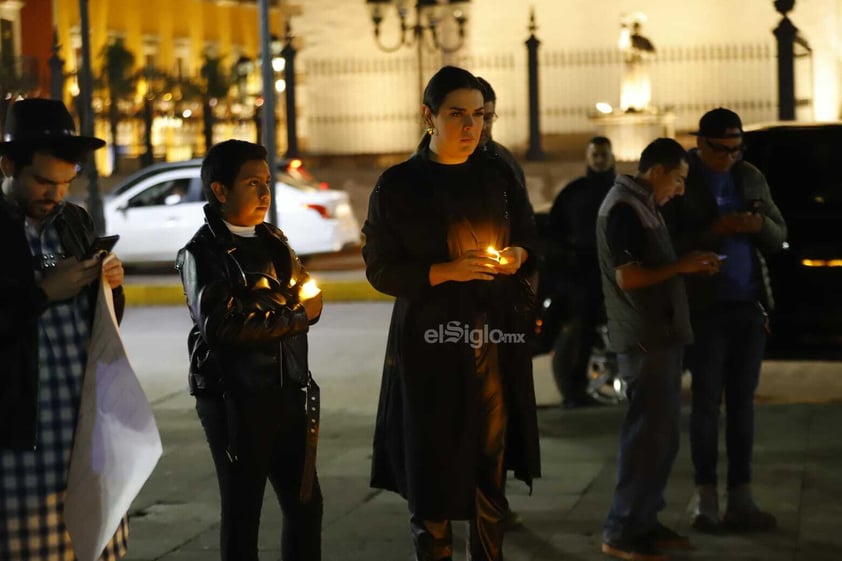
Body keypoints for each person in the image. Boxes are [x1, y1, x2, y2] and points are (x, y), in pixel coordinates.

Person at [363, 65, 541, 561]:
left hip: (494, 335)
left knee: (492, 458)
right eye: (457, 114)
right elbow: (380, 269)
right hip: (429, 344)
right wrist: (446, 271)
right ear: (429, 116)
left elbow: (529, 234)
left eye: (479, 115)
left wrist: (516, 257)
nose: (470, 127)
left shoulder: (497, 174)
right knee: (432, 462)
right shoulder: (399, 185)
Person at [176, 139, 324, 561]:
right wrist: (295, 316)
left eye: (266, 182)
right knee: (244, 512)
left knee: (306, 504)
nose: (264, 193)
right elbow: (221, 327)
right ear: (220, 191)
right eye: (252, 183)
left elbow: (307, 291)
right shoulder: (203, 252)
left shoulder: (273, 239)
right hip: (235, 398)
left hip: (289, 389)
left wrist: (298, 309)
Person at [0, 98, 128, 560]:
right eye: (41, 181)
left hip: (87, 432)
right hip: (20, 440)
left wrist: (111, 289)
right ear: (8, 165)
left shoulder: (74, 222)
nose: (55, 194)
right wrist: (41, 294)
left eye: (65, 183)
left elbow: (102, 324)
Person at [663, 108, 787, 533]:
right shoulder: (684, 178)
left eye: (736, 149)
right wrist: (717, 229)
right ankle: (706, 497)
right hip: (704, 307)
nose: (729, 157)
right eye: (721, 149)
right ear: (701, 144)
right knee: (705, 402)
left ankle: (741, 495)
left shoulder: (749, 175)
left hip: (747, 304)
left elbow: (779, 234)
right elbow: (666, 242)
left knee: (742, 405)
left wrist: (758, 225)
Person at [597, 138, 721, 561]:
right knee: (647, 437)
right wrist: (682, 267)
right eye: (680, 179)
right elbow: (628, 278)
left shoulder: (645, 206)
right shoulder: (624, 209)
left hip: (661, 337)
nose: (681, 190)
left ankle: (644, 521)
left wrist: (686, 262)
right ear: (658, 171)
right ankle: (622, 529)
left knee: (662, 437)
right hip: (645, 339)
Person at [546, 136, 616, 408]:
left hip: (617, 274)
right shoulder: (574, 194)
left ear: (611, 156)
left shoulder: (622, 190)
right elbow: (555, 234)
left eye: (603, 155)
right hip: (584, 276)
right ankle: (576, 390)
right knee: (583, 333)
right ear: (588, 158)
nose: (599, 160)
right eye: (595, 155)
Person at [618, 13, 656, 112]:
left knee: (642, 86)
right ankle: (630, 106)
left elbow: (653, 53)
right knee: (630, 86)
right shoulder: (628, 39)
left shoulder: (645, 40)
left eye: (638, 26)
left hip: (642, 67)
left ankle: (643, 105)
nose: (636, 28)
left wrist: (643, 54)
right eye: (635, 26)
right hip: (631, 67)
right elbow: (623, 45)